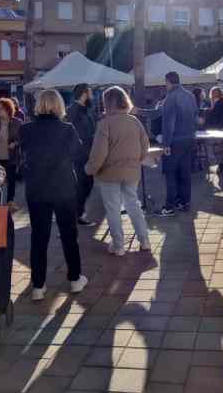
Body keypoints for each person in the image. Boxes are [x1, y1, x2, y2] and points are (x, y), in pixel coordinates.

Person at [20, 90, 89, 301]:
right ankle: (75, 278)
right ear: (59, 105)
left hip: (36, 188)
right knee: (69, 235)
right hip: (63, 187)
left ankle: (38, 285)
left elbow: (23, 153)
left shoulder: (26, 129)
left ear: (38, 105)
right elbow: (78, 154)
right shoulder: (67, 129)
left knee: (39, 237)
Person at [84, 86, 152, 256]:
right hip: (132, 171)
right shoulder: (135, 121)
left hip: (109, 174)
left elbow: (99, 153)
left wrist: (89, 169)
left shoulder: (104, 124)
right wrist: (136, 161)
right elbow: (145, 147)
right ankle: (145, 240)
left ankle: (118, 245)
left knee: (113, 209)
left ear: (107, 103)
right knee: (133, 205)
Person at [158, 71, 198, 217]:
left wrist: (166, 144)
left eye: (165, 82)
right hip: (189, 140)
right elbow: (195, 117)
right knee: (185, 173)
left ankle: (169, 206)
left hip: (175, 142)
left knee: (170, 174)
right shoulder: (190, 95)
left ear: (168, 81)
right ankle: (184, 203)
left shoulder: (170, 97)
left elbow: (169, 123)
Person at [66, 83, 98, 226]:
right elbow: (72, 133)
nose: (92, 95)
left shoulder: (86, 110)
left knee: (87, 184)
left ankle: (77, 213)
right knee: (81, 185)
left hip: (87, 154)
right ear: (84, 93)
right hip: (78, 156)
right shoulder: (73, 110)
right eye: (90, 92)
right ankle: (75, 216)